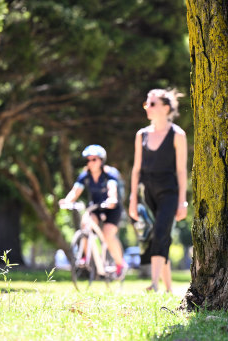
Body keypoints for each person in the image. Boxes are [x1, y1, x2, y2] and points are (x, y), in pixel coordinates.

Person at [129, 88, 188, 293]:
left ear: (166, 107)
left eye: (152, 103)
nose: (148, 107)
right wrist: (132, 199)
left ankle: (154, 284)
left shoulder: (177, 135)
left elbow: (181, 171)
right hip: (146, 193)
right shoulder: (141, 134)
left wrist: (182, 201)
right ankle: (169, 288)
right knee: (158, 236)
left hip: (169, 192)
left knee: (161, 233)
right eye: (147, 103)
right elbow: (136, 169)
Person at [59, 145, 128, 280]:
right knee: (86, 223)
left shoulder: (109, 174)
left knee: (108, 235)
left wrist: (112, 199)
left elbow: (112, 188)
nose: (90, 162)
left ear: (101, 160)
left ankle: (120, 264)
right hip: (96, 207)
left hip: (112, 208)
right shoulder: (85, 175)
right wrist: (67, 201)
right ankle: (85, 256)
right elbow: (75, 191)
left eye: (94, 159)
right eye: (88, 160)